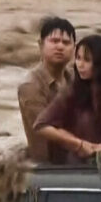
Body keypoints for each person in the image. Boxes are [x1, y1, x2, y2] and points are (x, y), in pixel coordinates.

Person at [33, 34, 101, 164]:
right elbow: (41, 125)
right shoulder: (71, 92)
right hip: (77, 164)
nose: (80, 65)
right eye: (78, 58)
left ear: (100, 63)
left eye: (87, 60)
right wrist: (79, 144)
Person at [17, 16, 77, 164]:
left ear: (74, 48)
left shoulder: (74, 78)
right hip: (50, 166)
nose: (60, 47)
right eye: (54, 41)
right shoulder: (30, 86)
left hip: (74, 158)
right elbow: (47, 130)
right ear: (40, 45)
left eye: (66, 42)